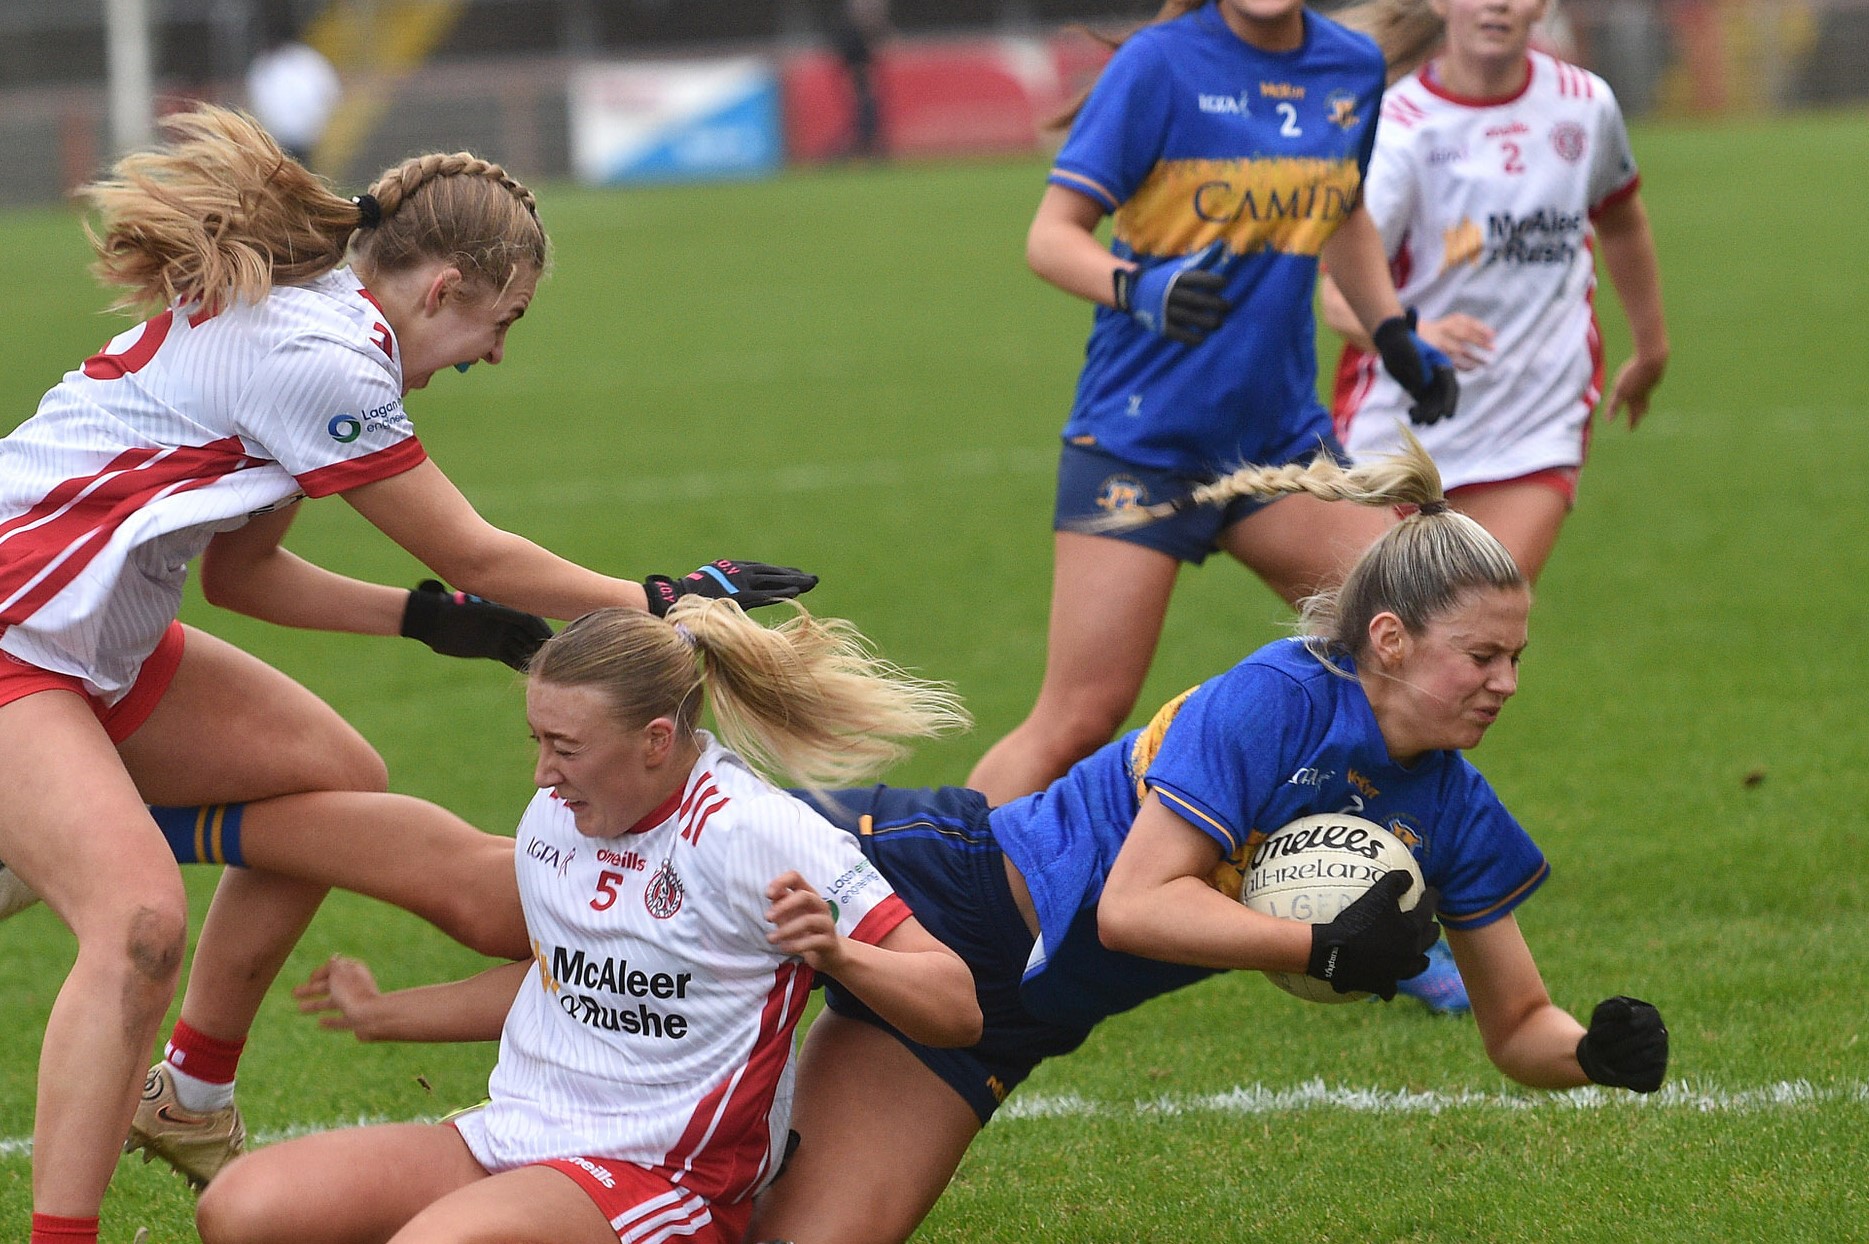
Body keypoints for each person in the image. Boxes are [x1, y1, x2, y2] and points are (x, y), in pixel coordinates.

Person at [0, 102, 814, 1244]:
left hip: (87, 638)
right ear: (442, 293)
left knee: (335, 774)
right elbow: (474, 546)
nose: (492, 355)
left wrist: (435, 624)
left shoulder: (314, 320)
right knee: (137, 920)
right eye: (501, 323)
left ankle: (188, 1089)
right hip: (15, 640)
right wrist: (666, 597)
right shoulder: (320, 356)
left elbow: (244, 576)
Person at [741, 433, 1669, 1243]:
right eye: (1481, 657)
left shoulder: (1454, 809)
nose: (1505, 682)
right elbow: (1132, 908)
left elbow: (1515, 1026)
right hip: (926, 885)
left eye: (1514, 658)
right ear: (1387, 639)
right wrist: (1320, 947)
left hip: (1008, 1019)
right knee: (652, 1168)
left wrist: (1589, 1054)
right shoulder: (1280, 697)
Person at [192, 598, 980, 1244]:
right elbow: (561, 977)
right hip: (517, 1138)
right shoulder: (557, 816)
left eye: (564, 747)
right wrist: (386, 1013)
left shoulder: (754, 832)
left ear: (656, 741)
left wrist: (839, 956)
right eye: (536, 740)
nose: (542, 774)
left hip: (663, 1181)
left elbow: (955, 1005)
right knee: (242, 1209)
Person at [965, 0, 1459, 810]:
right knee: (1078, 717)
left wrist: (1392, 331)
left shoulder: (1349, 67)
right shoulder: (1157, 65)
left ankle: (1391, 893)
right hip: (1140, 443)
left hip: (1278, 447)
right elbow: (1049, 237)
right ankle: (941, 899)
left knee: (1412, 647)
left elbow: (1343, 208)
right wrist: (1137, 287)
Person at [1321, 0, 1670, 584]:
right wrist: (1417, 335)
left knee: (1478, 618)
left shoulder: (1585, 106)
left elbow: (1621, 219)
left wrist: (1652, 347)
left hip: (1536, 421)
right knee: (1379, 638)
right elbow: (1337, 297)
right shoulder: (1397, 126)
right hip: (1400, 426)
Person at [245, 17, 342, 167]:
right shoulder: (263, 66)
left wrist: (315, 120)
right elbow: (258, 100)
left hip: (306, 134)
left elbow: (328, 90)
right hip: (277, 137)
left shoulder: (305, 60)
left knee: (304, 174)